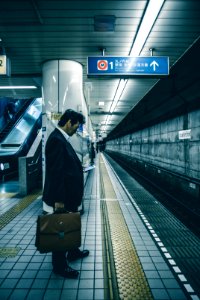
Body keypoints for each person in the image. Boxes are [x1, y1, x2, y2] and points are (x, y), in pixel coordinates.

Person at [42, 109, 89, 278]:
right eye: (76, 126)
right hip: (63, 197)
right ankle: (59, 266)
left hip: (69, 195)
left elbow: (65, 167)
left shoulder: (62, 139)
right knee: (61, 228)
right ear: (69, 122)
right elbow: (56, 174)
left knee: (69, 224)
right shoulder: (57, 140)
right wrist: (59, 200)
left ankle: (73, 251)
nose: (77, 129)